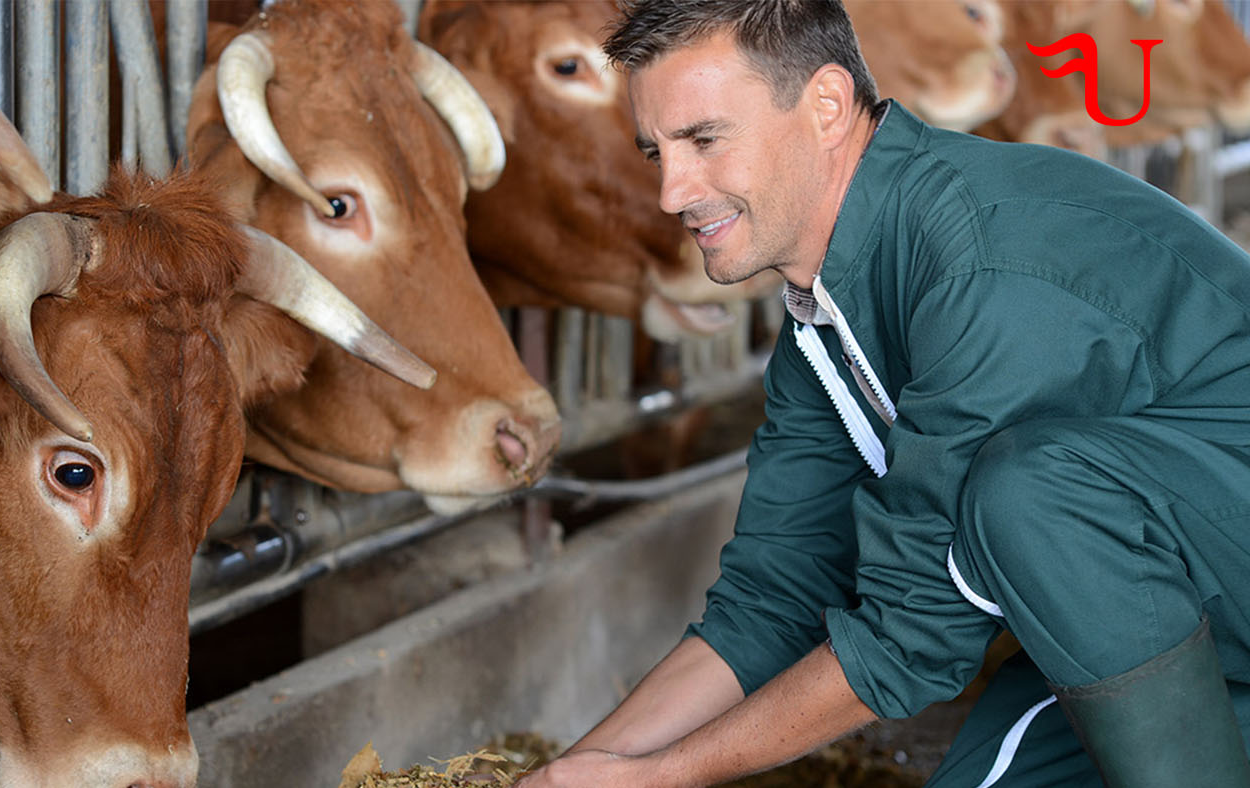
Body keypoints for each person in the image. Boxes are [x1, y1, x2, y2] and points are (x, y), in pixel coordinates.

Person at [514, 1, 1250, 786]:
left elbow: (914, 633)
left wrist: (668, 776)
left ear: (827, 106)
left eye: (703, 139)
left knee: (1030, 492)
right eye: (655, 151)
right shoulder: (822, 321)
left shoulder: (975, 264)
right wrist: (577, 772)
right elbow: (774, 598)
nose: (670, 191)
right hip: (1172, 632)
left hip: (1214, 579)